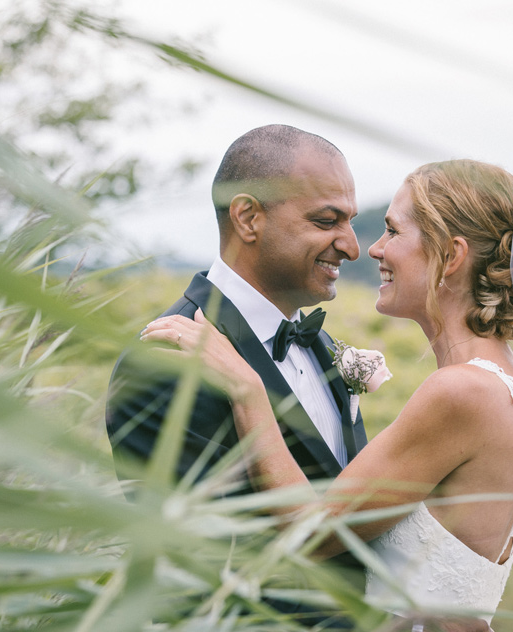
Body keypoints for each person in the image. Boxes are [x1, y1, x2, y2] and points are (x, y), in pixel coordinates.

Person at [141, 160, 513, 631]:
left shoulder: (464, 391)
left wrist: (247, 390)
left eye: (392, 231)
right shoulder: (510, 379)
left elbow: (316, 534)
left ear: (450, 256)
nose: (373, 249)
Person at [105, 124, 368, 626]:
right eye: (327, 220)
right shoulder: (167, 361)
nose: (352, 247)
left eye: (350, 222)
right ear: (248, 217)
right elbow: (187, 579)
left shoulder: (324, 346)